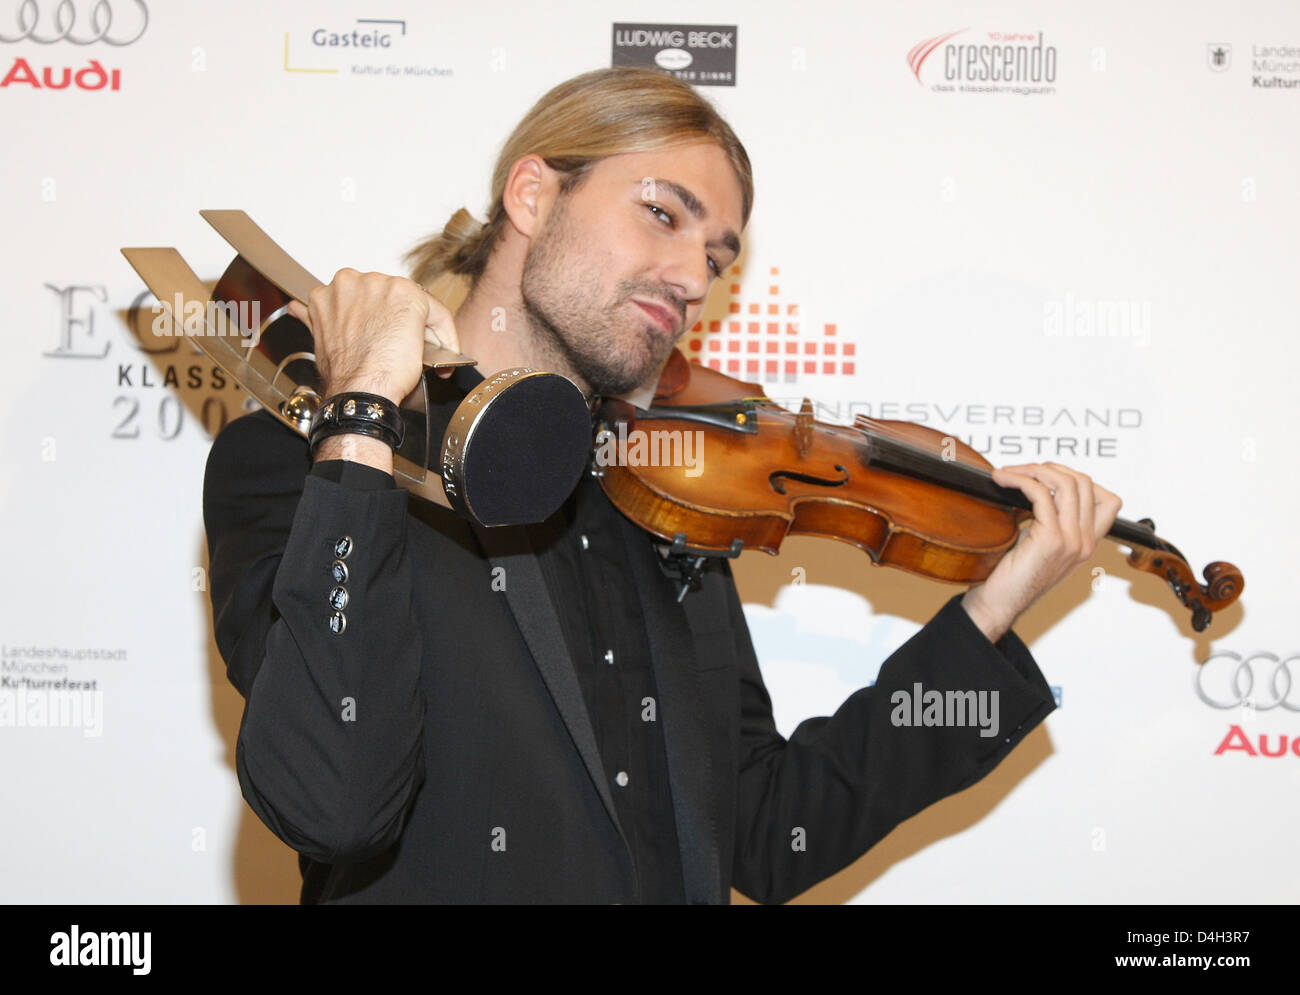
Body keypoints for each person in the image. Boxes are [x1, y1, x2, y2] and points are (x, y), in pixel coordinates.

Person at [203, 67, 1121, 904]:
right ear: (533, 194)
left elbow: (765, 833)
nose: (693, 280)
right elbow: (335, 802)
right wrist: (361, 411)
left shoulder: (665, 491)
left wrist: (989, 613)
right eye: (662, 213)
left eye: (717, 259)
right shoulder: (307, 461)